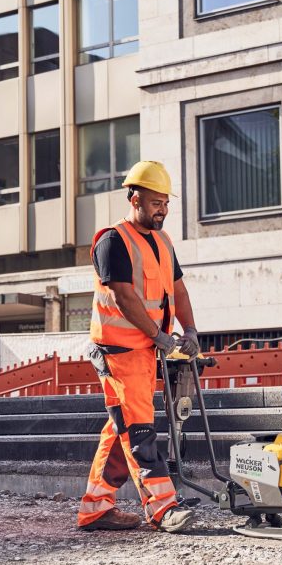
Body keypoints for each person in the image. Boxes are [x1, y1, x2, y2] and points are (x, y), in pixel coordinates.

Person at [77, 161, 200, 534]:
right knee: (140, 428)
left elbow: (177, 288)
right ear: (134, 198)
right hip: (118, 351)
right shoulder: (113, 240)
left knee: (121, 430)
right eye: (155, 202)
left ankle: (96, 508)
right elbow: (123, 296)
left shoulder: (163, 242)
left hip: (144, 351)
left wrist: (190, 329)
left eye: (165, 202)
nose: (162, 209)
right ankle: (163, 507)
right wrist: (160, 336)